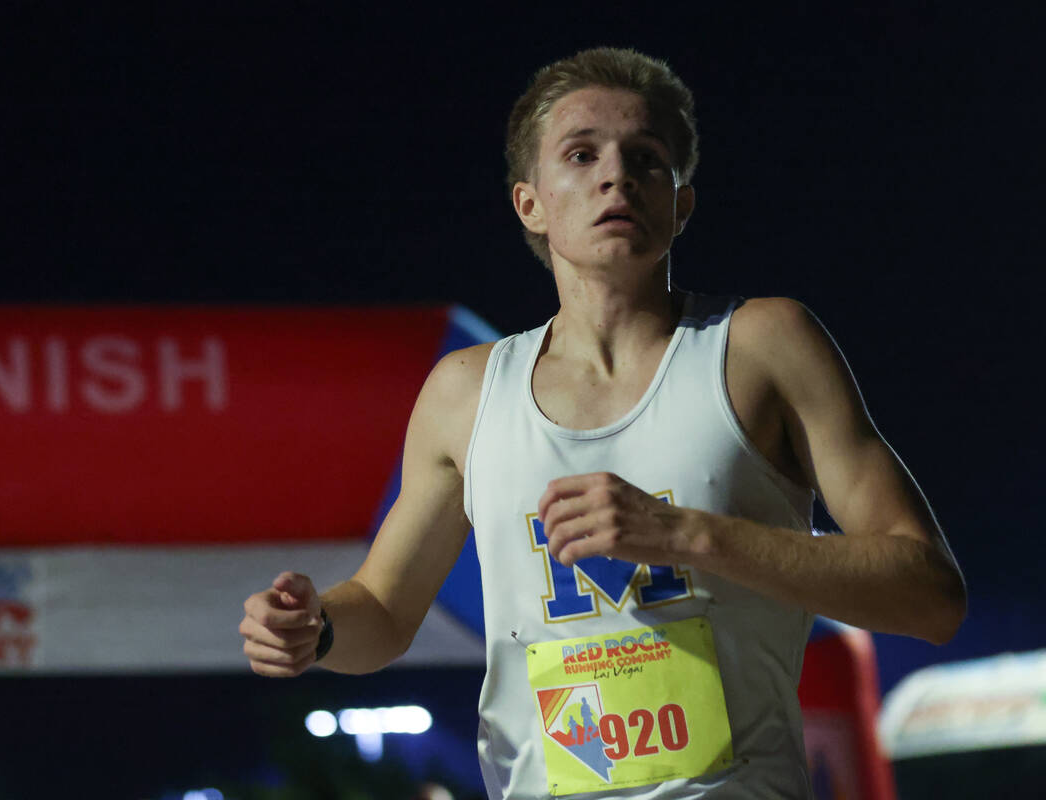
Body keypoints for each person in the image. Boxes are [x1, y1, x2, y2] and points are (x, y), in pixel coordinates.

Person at [239, 47, 966, 798]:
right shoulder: (465, 391)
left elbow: (931, 596)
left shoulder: (763, 346)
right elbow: (386, 612)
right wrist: (317, 627)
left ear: (682, 202)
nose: (616, 175)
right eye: (582, 154)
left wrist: (685, 534)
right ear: (531, 202)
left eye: (646, 158)